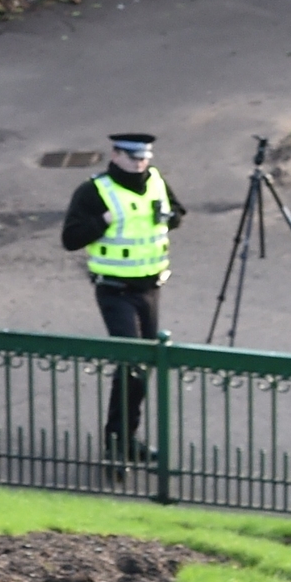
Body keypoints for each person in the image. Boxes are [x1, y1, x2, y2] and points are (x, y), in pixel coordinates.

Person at [59, 131, 184, 455]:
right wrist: (102, 221)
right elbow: (71, 239)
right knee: (131, 363)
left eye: (144, 158)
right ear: (115, 155)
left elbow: (178, 213)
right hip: (115, 290)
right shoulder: (94, 191)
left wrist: (170, 217)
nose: (140, 163)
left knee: (144, 365)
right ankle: (117, 442)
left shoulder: (156, 181)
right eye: (133, 157)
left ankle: (126, 438)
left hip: (150, 288)